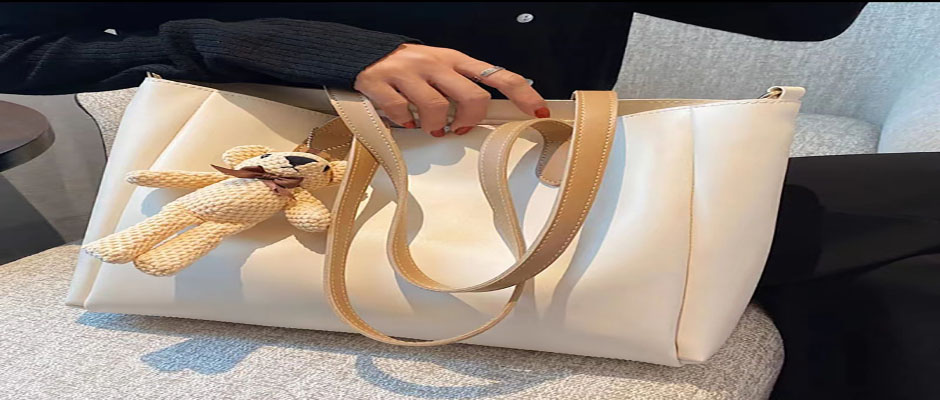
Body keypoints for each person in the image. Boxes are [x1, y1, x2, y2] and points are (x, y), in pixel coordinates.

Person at [5, 3, 938, 400]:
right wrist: (297, 49)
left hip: (549, 180)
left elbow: (805, 17)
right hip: (289, 179)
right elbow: (23, 46)